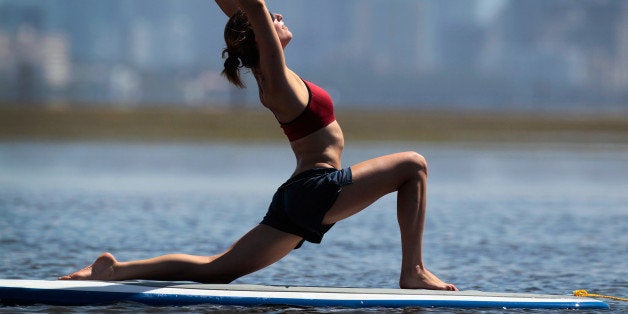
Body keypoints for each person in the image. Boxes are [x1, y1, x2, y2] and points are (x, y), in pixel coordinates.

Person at [60, 0, 457, 291]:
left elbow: (239, 11)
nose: (279, 17)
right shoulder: (276, 77)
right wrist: (254, 12)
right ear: (261, 35)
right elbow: (252, 6)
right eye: (272, 19)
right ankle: (414, 271)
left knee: (219, 269)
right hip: (318, 188)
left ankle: (113, 271)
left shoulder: (267, 74)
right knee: (414, 166)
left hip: (298, 195)